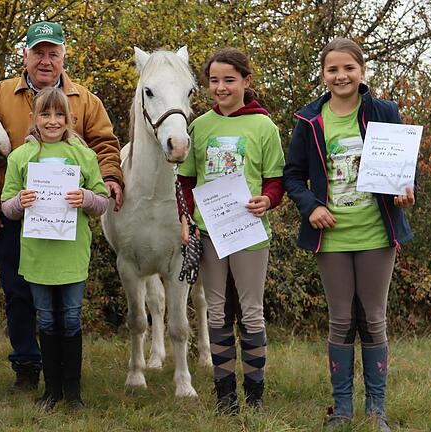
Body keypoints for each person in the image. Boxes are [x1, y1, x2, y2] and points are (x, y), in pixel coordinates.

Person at [0, 21, 123, 390]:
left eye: (53, 53)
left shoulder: (86, 100)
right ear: (26, 54)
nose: (46, 60)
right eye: (39, 52)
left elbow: (105, 145)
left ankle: (64, 376)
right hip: (13, 213)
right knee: (19, 294)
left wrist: (110, 179)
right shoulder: (0, 94)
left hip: (67, 219)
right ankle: (26, 365)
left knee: (64, 302)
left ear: (64, 55)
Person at [283, 38, 414, 432]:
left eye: (348, 68)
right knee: (341, 319)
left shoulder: (384, 112)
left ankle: (377, 411)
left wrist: (406, 192)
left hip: (376, 233)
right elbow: (292, 176)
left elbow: (403, 169)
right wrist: (312, 206)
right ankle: (342, 411)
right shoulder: (309, 121)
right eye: (333, 70)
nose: (341, 76)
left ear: (362, 71)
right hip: (332, 238)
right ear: (323, 75)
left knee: (374, 319)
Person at [178, 48, 285, 414]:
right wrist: (186, 219)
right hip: (209, 232)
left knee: (252, 312)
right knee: (217, 312)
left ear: (246, 81)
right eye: (214, 81)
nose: (220, 87)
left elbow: (275, 180)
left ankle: (254, 397)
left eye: (229, 80)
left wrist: (267, 201)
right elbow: (186, 179)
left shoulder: (263, 126)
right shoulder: (200, 126)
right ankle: (226, 398)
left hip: (249, 231)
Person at [1, 87, 109, 410]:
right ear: (34, 118)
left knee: (72, 319)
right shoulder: (20, 157)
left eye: (58, 115)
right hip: (38, 254)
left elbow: (102, 201)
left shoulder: (83, 155)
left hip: (71, 253)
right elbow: (5, 206)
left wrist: (85, 198)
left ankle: (73, 392)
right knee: (46, 320)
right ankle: (52, 391)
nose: (52, 121)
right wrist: (19, 202)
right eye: (45, 114)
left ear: (69, 119)